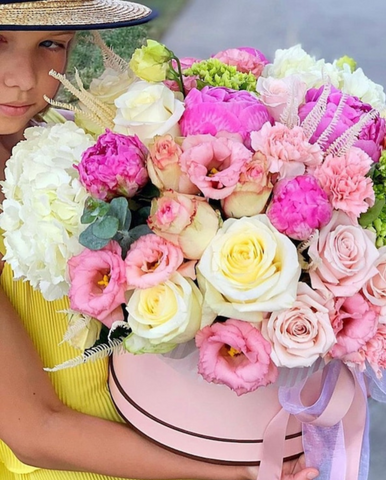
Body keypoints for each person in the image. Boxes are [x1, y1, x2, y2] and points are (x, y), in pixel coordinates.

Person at [0, 1, 319, 479]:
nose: (24, 78)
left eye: (52, 44)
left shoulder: (67, 144)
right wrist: (230, 476)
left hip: (158, 439)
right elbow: (35, 429)